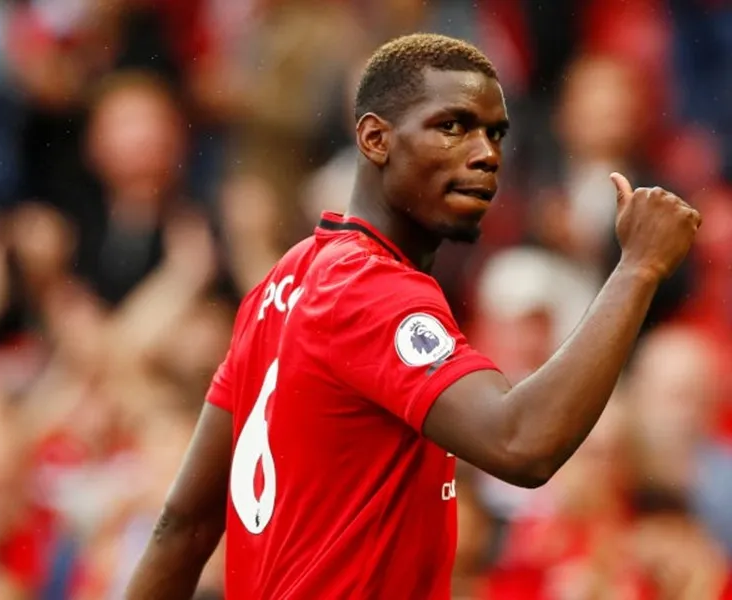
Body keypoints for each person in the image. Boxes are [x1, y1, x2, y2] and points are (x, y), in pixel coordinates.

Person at [125, 33, 701, 599]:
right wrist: (638, 269)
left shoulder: (286, 280)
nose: (486, 154)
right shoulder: (372, 289)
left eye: (496, 133)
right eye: (452, 127)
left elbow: (184, 526)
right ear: (376, 139)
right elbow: (522, 442)